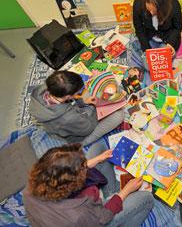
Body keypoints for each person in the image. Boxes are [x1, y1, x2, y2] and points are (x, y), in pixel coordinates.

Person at [23, 144, 153, 227]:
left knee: (98, 148)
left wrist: (97, 159)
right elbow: (104, 216)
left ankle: (111, 193)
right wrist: (125, 192)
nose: (86, 166)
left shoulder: (31, 187)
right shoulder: (78, 215)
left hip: (83, 211)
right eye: (82, 170)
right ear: (73, 184)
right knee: (147, 198)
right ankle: (115, 198)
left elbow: (64, 170)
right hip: (96, 219)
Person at [29, 71, 124, 146]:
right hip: (78, 138)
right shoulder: (69, 117)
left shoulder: (45, 87)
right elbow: (88, 128)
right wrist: (93, 107)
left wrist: (84, 102)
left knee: (92, 92)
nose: (78, 94)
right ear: (68, 96)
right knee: (119, 116)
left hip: (70, 117)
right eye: (77, 93)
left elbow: (74, 102)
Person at [130, 0, 182, 84]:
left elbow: (177, 27)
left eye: (156, 10)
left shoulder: (174, 5)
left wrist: (170, 44)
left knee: (161, 67)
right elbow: (139, 29)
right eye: (149, 9)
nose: (152, 13)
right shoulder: (138, 3)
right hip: (148, 35)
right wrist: (147, 50)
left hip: (167, 37)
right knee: (148, 65)